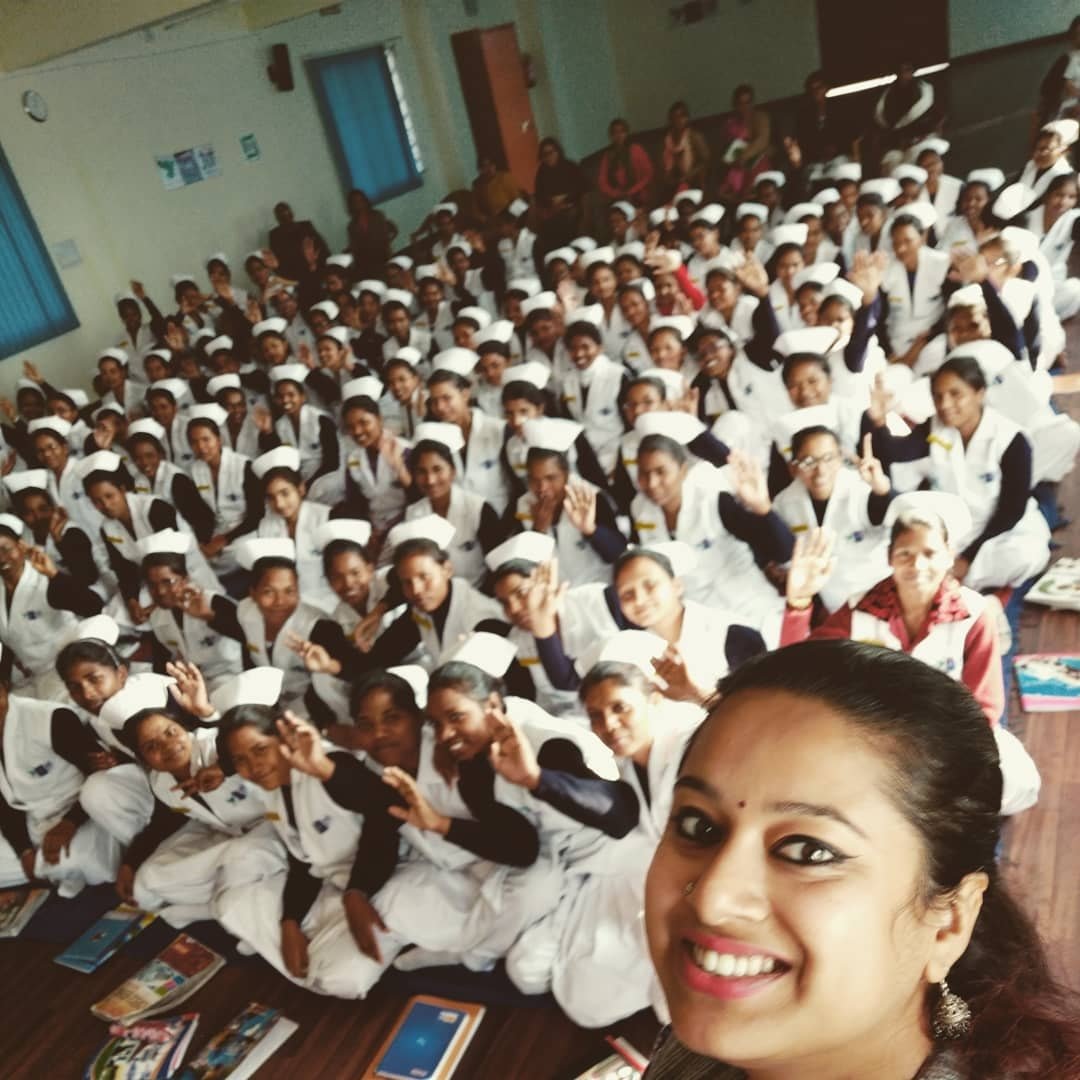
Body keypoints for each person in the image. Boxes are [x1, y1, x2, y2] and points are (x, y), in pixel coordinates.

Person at [644, 639, 1079, 1078]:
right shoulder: (696, 1052)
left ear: (949, 923)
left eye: (809, 852)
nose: (713, 899)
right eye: (698, 825)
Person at [213, 706, 406, 997]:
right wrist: (289, 921)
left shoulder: (330, 765)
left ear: (284, 739)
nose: (254, 766)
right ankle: (311, 944)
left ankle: (317, 950)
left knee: (344, 981)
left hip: (386, 881)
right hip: (336, 886)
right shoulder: (274, 790)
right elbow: (302, 862)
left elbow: (385, 820)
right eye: (241, 760)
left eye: (260, 749)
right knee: (230, 906)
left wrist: (357, 893)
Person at [867, 358, 1051, 591]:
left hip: (1001, 531)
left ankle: (949, 582)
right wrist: (879, 420)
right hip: (949, 526)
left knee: (1027, 556)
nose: (945, 404)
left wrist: (969, 558)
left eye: (956, 394)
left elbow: (1011, 511)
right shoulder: (936, 426)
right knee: (882, 558)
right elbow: (895, 451)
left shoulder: (1011, 440)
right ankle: (948, 580)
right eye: (937, 396)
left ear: (979, 393)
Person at [0, 656, 120, 897]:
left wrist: (69, 823)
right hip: (32, 822)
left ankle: (53, 869)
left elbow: (103, 775)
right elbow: (5, 804)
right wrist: (24, 850)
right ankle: (42, 867)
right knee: (46, 863)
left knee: (75, 863)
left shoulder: (52, 718)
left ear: (3, 687)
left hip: (82, 813)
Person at [534, 138, 589, 255]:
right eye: (544, 154)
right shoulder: (541, 172)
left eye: (551, 152)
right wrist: (551, 202)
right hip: (552, 209)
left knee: (568, 218)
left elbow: (584, 186)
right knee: (545, 224)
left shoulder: (570, 166)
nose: (549, 157)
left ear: (557, 152)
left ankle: (571, 252)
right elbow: (538, 195)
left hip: (572, 204)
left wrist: (565, 199)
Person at [268, 202, 329, 283]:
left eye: (287, 214)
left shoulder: (306, 227)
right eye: (282, 216)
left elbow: (322, 249)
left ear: (292, 214)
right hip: (293, 278)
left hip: (316, 272)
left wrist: (318, 266)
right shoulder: (275, 235)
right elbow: (276, 262)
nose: (286, 218)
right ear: (277, 219)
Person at [597, 118, 654, 204]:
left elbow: (648, 174)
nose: (618, 135)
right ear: (611, 136)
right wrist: (615, 193)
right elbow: (602, 182)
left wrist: (631, 191)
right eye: (615, 132)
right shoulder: (608, 155)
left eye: (622, 132)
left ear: (627, 133)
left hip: (637, 193)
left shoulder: (636, 149)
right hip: (618, 196)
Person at [662, 100, 710, 199]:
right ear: (671, 120)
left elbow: (706, 161)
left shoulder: (695, 136)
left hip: (695, 178)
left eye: (682, 116)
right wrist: (671, 178)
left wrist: (690, 174)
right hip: (678, 180)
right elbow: (667, 165)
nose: (678, 120)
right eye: (675, 117)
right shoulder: (668, 140)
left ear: (687, 118)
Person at [345, 189, 394, 281]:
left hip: (381, 257)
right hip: (364, 263)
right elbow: (354, 248)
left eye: (361, 200)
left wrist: (391, 260)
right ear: (351, 205)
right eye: (355, 202)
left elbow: (386, 240)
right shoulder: (351, 226)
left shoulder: (377, 216)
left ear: (365, 200)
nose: (359, 204)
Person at [472, 155, 522, 220]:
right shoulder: (477, 185)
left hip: (510, 217)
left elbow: (518, 200)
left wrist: (511, 220)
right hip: (492, 222)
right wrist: (485, 220)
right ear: (480, 170)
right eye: (485, 166)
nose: (489, 168)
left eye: (491, 164)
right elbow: (476, 210)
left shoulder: (504, 177)